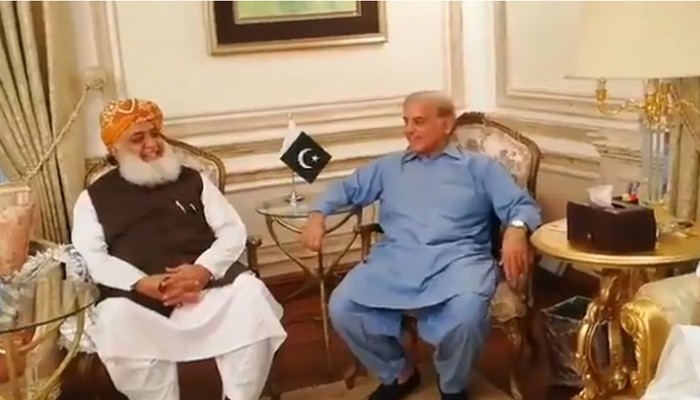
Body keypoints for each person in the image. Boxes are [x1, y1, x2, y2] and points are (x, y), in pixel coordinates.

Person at [302, 91, 541, 400]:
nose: (409, 130)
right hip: (396, 260)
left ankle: (452, 385)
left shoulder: (480, 168)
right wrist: (317, 214)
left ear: (446, 124)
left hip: (458, 261)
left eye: (418, 122)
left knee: (467, 314)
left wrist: (516, 230)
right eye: (406, 122)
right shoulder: (389, 167)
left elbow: (522, 205)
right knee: (343, 306)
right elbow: (346, 189)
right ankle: (398, 373)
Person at [72, 98, 287, 400]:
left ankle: (240, 396)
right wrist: (141, 282)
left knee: (251, 296)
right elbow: (92, 255)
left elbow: (231, 230)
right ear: (114, 149)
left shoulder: (193, 180)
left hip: (204, 289)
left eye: (154, 133)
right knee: (115, 320)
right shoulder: (93, 198)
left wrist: (203, 270)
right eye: (137, 138)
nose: (151, 144)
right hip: (139, 300)